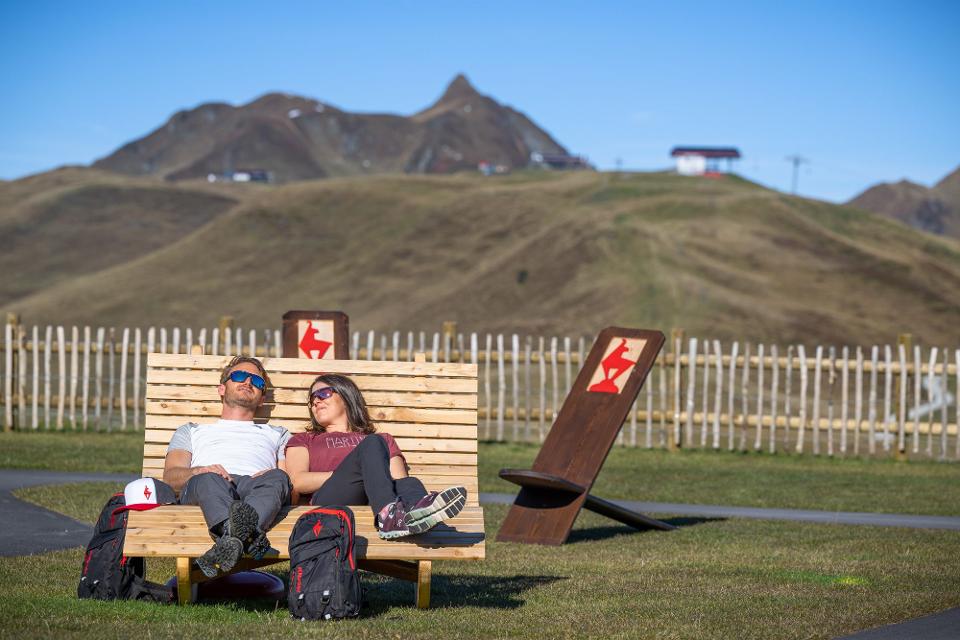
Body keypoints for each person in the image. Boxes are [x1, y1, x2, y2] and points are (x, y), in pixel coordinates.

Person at [285, 374, 467, 539]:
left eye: (323, 393)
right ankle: (389, 518)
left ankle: (420, 513)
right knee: (372, 443)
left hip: (374, 500)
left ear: (346, 396)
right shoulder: (304, 440)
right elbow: (297, 481)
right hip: (330, 503)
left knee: (410, 483)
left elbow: (398, 481)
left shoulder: (383, 440)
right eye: (312, 398)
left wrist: (371, 477)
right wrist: (360, 474)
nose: (316, 401)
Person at [163, 355, 292, 578]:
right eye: (240, 376)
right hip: (209, 485)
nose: (248, 382)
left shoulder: (278, 433)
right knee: (208, 479)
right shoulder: (192, 430)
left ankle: (228, 543)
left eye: (257, 382)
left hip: (256, 486)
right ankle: (249, 538)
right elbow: (171, 477)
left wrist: (275, 474)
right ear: (222, 389)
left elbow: (291, 487)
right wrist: (200, 470)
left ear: (262, 399)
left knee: (279, 477)